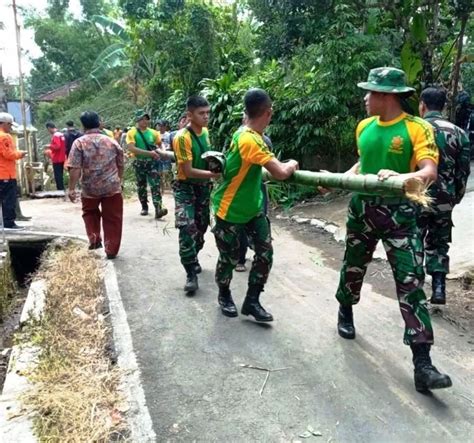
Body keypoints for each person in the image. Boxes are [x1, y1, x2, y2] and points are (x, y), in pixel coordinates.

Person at [335, 67, 451, 392]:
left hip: (400, 216)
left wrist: (403, 178)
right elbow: (363, 163)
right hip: (362, 210)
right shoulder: (364, 126)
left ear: (387, 96)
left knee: (411, 282)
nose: (365, 98)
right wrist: (339, 178)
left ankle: (423, 364)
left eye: (370, 93)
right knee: (353, 267)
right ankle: (345, 308)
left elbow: (429, 170)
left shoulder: (417, 128)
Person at [212, 88, 298, 321]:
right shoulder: (249, 139)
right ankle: (224, 295)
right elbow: (280, 172)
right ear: (268, 113)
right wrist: (292, 163)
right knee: (228, 259)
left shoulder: (247, 132)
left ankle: (252, 300)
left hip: (253, 209)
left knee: (265, 253)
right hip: (229, 210)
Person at [418, 87, 471, 304]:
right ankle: (439, 288)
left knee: (414, 240)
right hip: (444, 199)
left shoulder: (415, 129)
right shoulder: (459, 133)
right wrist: (455, 197)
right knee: (439, 243)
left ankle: (414, 287)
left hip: (417, 197)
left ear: (422, 104)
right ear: (444, 106)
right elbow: (463, 171)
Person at [172, 96, 219, 293]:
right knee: (186, 228)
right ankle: (190, 271)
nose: (206, 116)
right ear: (190, 115)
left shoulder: (205, 133)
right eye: (202, 113)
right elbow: (189, 170)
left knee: (201, 227)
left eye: (208, 112)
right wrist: (214, 175)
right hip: (185, 187)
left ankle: (194, 255)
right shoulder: (182, 138)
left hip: (203, 188)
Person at [68, 111, 124, 259]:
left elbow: (74, 168)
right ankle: (111, 249)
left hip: (89, 188)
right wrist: (119, 180)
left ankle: (94, 239)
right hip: (112, 187)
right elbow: (120, 163)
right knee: (113, 218)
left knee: (90, 213)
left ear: (82, 125)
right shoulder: (112, 141)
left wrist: (72, 188)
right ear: (99, 123)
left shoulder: (79, 143)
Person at [235, 113, 273, 272]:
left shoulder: (266, 141)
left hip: (259, 188)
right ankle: (240, 258)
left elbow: (271, 165)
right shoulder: (240, 137)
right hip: (242, 189)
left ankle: (259, 255)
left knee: (260, 220)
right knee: (241, 225)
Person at [126, 110, 167, 218]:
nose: (144, 121)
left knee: (155, 185)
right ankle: (144, 206)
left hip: (152, 163)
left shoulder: (153, 133)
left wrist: (162, 152)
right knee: (141, 186)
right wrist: (149, 153)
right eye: (142, 119)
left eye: (146, 119)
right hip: (139, 162)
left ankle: (158, 208)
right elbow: (132, 148)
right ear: (137, 120)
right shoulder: (132, 132)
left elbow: (160, 144)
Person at [0, 112, 27, 230]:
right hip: (6, 173)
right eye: (10, 125)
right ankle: (8, 222)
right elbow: (8, 154)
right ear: (4, 123)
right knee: (9, 199)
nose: (10, 127)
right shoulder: (5, 137)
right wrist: (20, 154)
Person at [45, 121, 66, 191]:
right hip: (62, 157)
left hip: (57, 158)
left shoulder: (55, 135)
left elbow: (57, 146)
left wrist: (49, 146)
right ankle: (62, 189)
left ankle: (60, 190)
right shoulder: (61, 134)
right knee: (60, 174)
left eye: (48, 130)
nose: (48, 132)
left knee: (58, 175)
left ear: (49, 128)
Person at [155, 119, 172, 193]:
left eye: (162, 126)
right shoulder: (156, 134)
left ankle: (166, 185)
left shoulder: (169, 135)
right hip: (158, 155)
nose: (160, 127)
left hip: (166, 155)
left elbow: (171, 145)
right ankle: (161, 187)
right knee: (159, 172)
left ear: (165, 127)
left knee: (166, 171)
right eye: (159, 126)